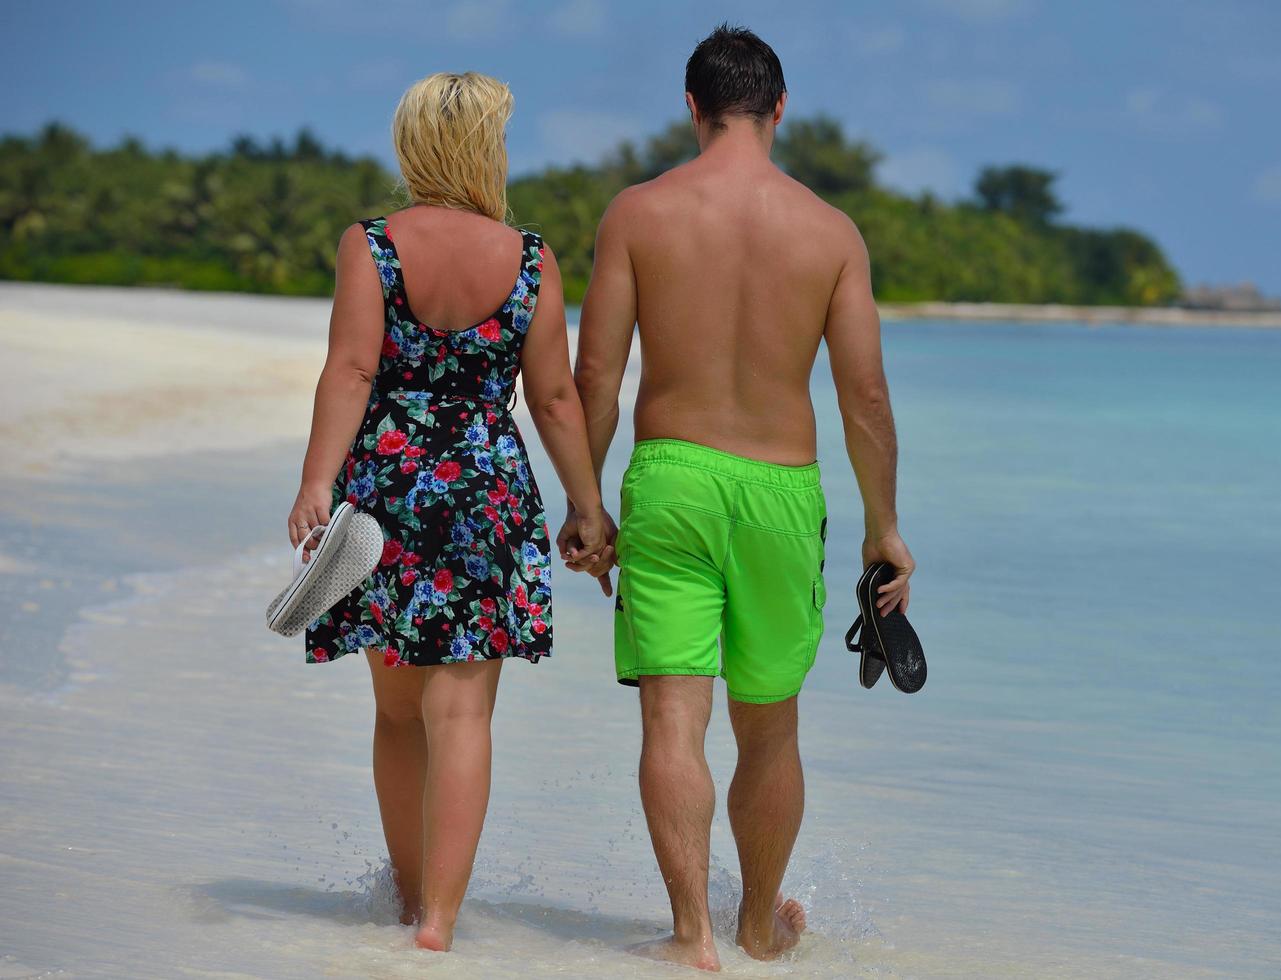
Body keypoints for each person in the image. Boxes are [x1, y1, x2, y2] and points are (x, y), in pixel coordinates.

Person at [560, 24, 916, 972]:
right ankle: (758, 929)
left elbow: (595, 372)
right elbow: (865, 397)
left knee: (674, 717)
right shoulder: (831, 231)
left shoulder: (638, 213)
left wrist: (586, 505)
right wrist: (884, 530)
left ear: (691, 107)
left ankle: (692, 936)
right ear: (780, 108)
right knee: (770, 723)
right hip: (781, 492)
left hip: (670, 477)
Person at [287, 71, 611, 952]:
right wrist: (587, 509)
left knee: (397, 716)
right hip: (488, 495)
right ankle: (438, 922)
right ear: (482, 150)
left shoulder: (373, 244)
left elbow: (352, 371)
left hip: (388, 493)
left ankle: (401, 897)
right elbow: (551, 398)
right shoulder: (531, 256)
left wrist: (317, 483)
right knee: (462, 717)